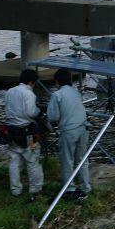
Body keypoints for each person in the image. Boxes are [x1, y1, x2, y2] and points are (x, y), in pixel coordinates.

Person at [45, 68, 92, 200]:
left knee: (67, 160)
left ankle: (69, 188)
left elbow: (53, 116)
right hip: (83, 127)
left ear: (57, 81)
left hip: (69, 130)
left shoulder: (57, 95)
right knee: (82, 160)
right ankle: (85, 187)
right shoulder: (76, 92)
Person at [2, 68, 44, 199]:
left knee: (14, 162)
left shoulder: (10, 91)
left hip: (11, 131)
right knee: (32, 160)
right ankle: (35, 188)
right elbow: (31, 112)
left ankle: (15, 189)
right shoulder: (28, 94)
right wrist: (40, 112)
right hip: (27, 132)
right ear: (31, 82)